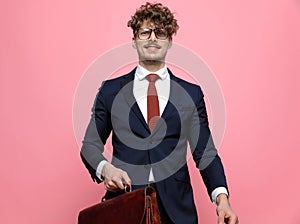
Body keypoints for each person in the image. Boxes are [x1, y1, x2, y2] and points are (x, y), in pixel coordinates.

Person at [80, 2, 238, 224]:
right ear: (134, 40)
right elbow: (90, 145)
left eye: (160, 32)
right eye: (145, 32)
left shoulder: (191, 94)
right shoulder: (111, 91)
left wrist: (222, 199)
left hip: (177, 210)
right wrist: (106, 170)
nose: (153, 38)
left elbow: (205, 153)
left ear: (169, 40)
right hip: (126, 206)